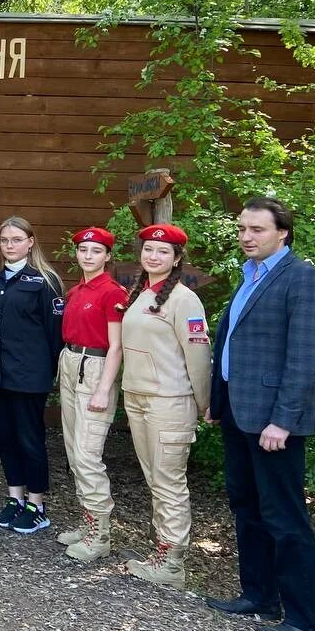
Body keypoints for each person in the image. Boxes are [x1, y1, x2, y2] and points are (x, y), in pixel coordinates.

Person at [205, 197, 315, 631]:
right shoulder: (249, 277)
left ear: (282, 233)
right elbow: (234, 345)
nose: (246, 236)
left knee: (284, 515)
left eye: (256, 229)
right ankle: (259, 595)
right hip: (240, 413)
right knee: (247, 506)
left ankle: (307, 621)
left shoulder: (302, 279)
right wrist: (218, 402)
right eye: (242, 228)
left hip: (274, 422)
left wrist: (284, 421)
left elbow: (304, 359)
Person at [119, 223, 211, 589]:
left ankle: (172, 562)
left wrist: (205, 404)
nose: (153, 256)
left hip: (169, 402)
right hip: (138, 397)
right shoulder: (140, 293)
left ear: (176, 259)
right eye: (148, 250)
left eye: (162, 252)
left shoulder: (185, 300)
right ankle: (161, 550)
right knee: (154, 479)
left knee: (169, 482)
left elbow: (199, 357)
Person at [0, 217, 64, 534]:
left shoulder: (44, 281)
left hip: (29, 377)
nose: (10, 245)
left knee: (30, 440)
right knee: (5, 440)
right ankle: (15, 498)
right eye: (4, 240)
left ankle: (37, 504)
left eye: (16, 239)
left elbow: (55, 335)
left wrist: (50, 373)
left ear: (31, 242)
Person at [57, 227, 128, 562]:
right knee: (73, 450)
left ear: (108, 256)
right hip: (70, 362)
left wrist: (103, 388)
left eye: (96, 251)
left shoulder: (111, 292)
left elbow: (116, 347)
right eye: (83, 251)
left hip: (96, 366)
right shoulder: (76, 291)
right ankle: (86, 523)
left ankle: (100, 534)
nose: (88, 256)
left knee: (88, 453)